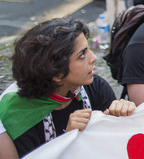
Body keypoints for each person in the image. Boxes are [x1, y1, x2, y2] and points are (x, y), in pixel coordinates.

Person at [0, 18, 135, 158]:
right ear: (57, 73)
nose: (93, 57)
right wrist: (67, 140)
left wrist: (121, 117)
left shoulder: (95, 86)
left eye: (88, 49)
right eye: (82, 54)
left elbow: (115, 146)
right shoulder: (18, 115)